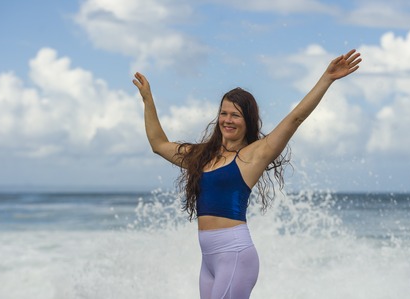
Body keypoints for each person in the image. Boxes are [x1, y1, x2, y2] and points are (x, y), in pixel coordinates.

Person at [133, 49, 362, 299]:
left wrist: (326, 79)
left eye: (235, 115)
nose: (227, 120)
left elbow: (295, 118)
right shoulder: (201, 157)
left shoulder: (252, 156)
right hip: (208, 261)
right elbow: (158, 144)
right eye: (223, 113)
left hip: (235, 255)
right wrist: (148, 99)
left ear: (247, 120)